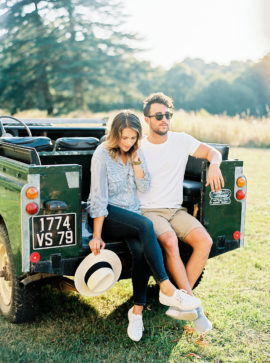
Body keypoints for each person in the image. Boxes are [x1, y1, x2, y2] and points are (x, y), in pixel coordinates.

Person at [87, 110, 201, 342]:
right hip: (108, 215)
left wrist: (136, 159)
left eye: (132, 138)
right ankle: (167, 286)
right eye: (124, 138)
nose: (128, 142)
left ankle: (136, 312)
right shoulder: (102, 154)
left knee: (140, 252)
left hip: (131, 214)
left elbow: (145, 185)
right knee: (146, 226)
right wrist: (97, 235)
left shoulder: (137, 152)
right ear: (114, 134)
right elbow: (98, 197)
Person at [138, 92, 225, 334]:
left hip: (175, 210)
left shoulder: (181, 140)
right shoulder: (139, 145)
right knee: (169, 241)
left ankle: (182, 300)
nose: (164, 119)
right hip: (148, 210)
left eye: (167, 115)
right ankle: (196, 311)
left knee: (204, 241)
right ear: (147, 119)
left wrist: (215, 165)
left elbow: (212, 153)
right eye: (158, 115)